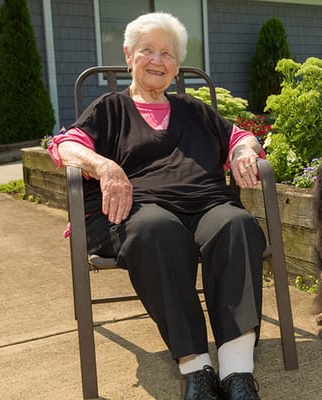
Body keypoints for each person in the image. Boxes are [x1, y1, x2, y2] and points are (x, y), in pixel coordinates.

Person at [48, 12, 266, 400]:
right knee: (156, 230)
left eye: (167, 53)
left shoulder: (195, 110)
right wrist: (104, 165)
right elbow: (65, 145)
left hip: (206, 205)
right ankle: (195, 367)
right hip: (141, 211)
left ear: (176, 66)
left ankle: (237, 373)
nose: (157, 61)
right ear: (130, 56)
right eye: (147, 51)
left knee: (237, 224)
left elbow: (241, 136)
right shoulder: (109, 108)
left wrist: (244, 153)